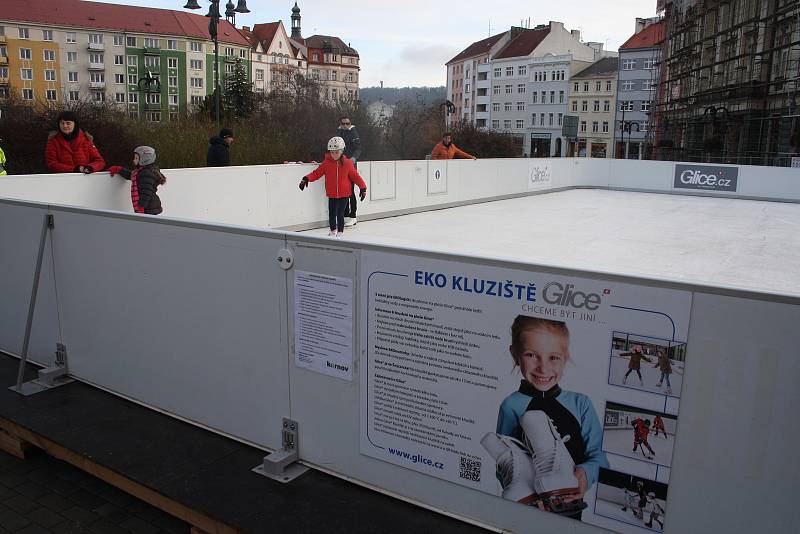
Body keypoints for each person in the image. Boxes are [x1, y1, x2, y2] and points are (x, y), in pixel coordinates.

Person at [495, 316, 608, 519]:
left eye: (553, 357)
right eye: (531, 355)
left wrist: (584, 474)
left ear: (566, 356)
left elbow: (598, 457)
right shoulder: (511, 405)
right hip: (529, 511)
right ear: (515, 354)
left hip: (569, 505)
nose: (543, 368)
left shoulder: (581, 403)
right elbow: (505, 462)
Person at [299, 137, 366, 238]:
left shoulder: (347, 163)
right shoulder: (326, 163)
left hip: (344, 194)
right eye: (332, 152)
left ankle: (340, 232)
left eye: (336, 152)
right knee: (331, 214)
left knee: (340, 214)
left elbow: (355, 176)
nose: (334, 154)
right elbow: (316, 173)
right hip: (332, 194)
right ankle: (333, 230)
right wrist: (306, 179)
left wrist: (363, 188)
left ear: (342, 151)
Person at [107, 146, 166, 215]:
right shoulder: (143, 171)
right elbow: (131, 175)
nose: (133, 160)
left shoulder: (146, 174)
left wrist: (141, 206)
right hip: (150, 206)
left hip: (149, 208)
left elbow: (146, 193)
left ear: (145, 160)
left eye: (136, 158)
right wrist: (119, 169)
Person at [335, 116, 362, 227]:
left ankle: (353, 216)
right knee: (343, 190)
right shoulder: (339, 133)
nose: (346, 125)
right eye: (343, 123)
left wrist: (353, 159)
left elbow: (358, 149)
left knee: (350, 191)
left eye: (348, 123)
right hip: (340, 165)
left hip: (350, 166)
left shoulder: (354, 134)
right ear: (341, 124)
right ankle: (345, 215)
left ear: (350, 123)